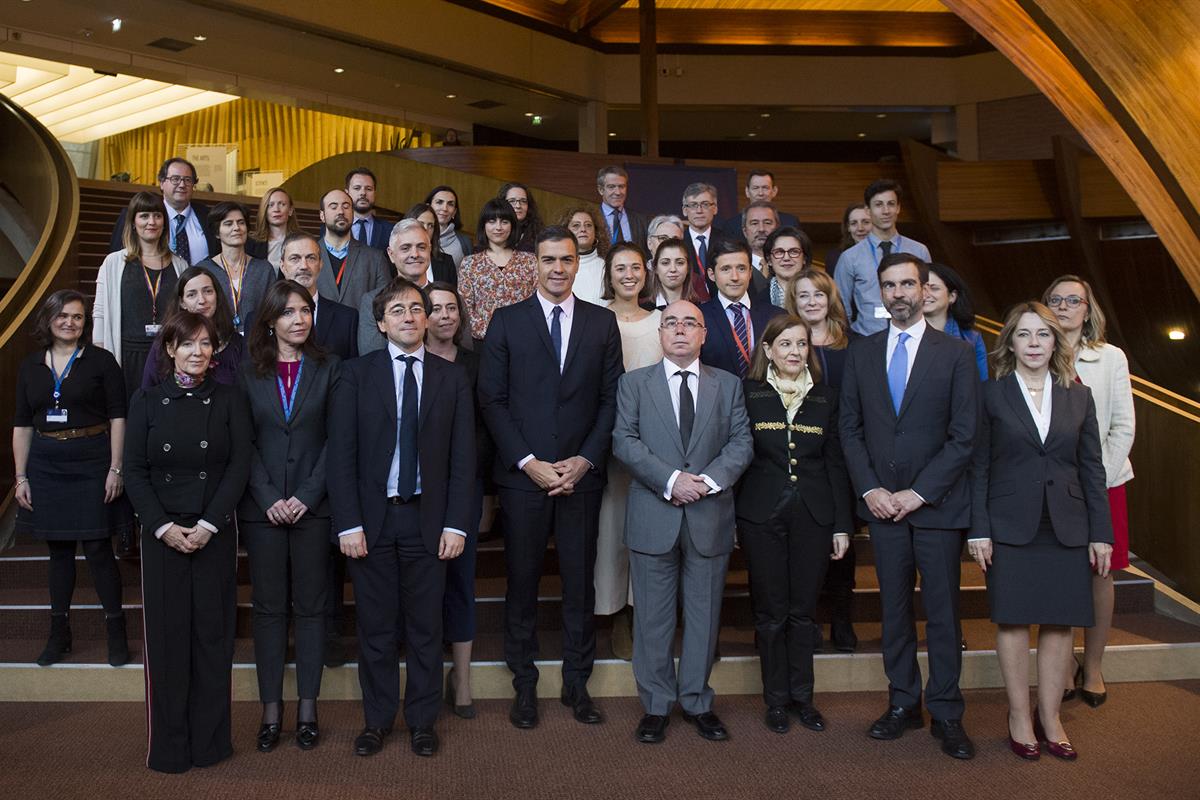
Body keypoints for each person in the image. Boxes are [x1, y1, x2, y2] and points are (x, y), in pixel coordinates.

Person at [478, 226, 624, 730]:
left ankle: (576, 685)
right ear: (533, 265)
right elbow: (491, 401)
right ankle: (524, 685)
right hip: (524, 479)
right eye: (548, 260)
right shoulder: (506, 321)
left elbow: (611, 401)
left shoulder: (601, 324)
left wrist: (584, 459)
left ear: (577, 264)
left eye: (566, 259)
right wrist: (528, 462)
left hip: (581, 477)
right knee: (522, 584)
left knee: (579, 585)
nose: (557, 268)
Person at [839, 252, 979, 760]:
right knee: (894, 612)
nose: (898, 293)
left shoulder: (957, 354)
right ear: (880, 291)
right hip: (882, 507)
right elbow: (849, 429)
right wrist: (871, 489)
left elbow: (965, 437)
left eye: (906, 284)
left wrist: (918, 493)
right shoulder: (862, 351)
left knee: (942, 614)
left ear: (925, 289)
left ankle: (946, 711)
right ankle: (903, 702)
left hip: (936, 506)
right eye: (888, 285)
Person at [327, 277, 475, 758]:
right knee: (375, 628)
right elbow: (342, 456)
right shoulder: (354, 374)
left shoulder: (451, 377)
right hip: (372, 523)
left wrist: (456, 525)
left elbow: (462, 459)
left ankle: (422, 721)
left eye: (416, 308)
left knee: (426, 629)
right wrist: (348, 523)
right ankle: (377, 720)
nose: (409, 317)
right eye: (398, 310)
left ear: (428, 317)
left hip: (428, 522)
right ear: (380, 322)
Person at [968, 301, 1113, 761]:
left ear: (1056, 342)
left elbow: (1092, 468)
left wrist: (1101, 532)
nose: (1034, 343)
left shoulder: (1078, 395)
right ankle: (1017, 716)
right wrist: (979, 529)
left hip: (1068, 525)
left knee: (1058, 622)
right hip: (1009, 524)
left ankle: (1050, 717)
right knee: (1012, 620)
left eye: (1043, 335)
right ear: (1009, 341)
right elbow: (979, 467)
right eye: (1025, 334)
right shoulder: (991, 394)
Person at [611, 300, 754, 744]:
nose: (679, 330)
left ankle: (696, 701)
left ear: (703, 334)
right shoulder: (634, 384)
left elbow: (741, 442)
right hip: (655, 513)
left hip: (709, 515)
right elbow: (624, 441)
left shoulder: (728, 385)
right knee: (652, 619)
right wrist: (672, 481)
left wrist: (706, 482)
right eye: (670, 322)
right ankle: (655, 705)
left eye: (689, 323)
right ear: (660, 333)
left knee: (703, 616)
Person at [123, 311, 252, 773]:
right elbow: (134, 471)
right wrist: (161, 526)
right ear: (170, 349)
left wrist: (210, 524)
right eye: (188, 344)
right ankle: (170, 748)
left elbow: (239, 466)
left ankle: (211, 744)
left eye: (206, 344)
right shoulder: (146, 401)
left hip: (212, 533)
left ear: (215, 351)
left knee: (213, 641)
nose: (198, 352)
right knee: (167, 644)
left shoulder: (230, 400)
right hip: (163, 536)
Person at [737, 314, 852, 734]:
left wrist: (842, 524)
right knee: (771, 613)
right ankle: (776, 701)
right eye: (784, 344)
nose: (793, 352)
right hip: (759, 514)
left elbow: (836, 463)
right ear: (767, 349)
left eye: (801, 344)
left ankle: (803, 697)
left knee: (804, 612)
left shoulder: (826, 398)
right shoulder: (746, 393)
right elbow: (738, 454)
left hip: (815, 515)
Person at [238, 281, 340, 753]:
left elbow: (337, 441)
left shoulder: (329, 367)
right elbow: (244, 444)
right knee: (269, 610)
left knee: (314, 609)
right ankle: (271, 710)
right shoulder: (248, 372)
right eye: (289, 312)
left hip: (313, 508)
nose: (299, 319)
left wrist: (305, 494)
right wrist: (266, 496)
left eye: (306, 311)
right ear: (270, 320)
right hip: (263, 511)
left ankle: (307, 709)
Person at [13, 290, 133, 668]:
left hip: (92, 460)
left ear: (86, 323)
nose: (70, 322)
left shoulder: (101, 362)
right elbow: (21, 425)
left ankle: (117, 631)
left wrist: (116, 468)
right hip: (47, 464)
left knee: (98, 549)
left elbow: (118, 417)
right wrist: (20, 477)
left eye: (78, 317)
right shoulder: (30, 366)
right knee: (59, 552)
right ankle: (58, 633)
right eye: (63, 315)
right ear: (49, 319)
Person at [1043, 275, 1135, 708]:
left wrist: (1097, 479)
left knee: (1101, 573)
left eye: (1072, 300)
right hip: (1051, 482)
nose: (1064, 307)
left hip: (1103, 483)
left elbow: (1123, 426)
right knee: (1058, 571)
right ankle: (1061, 666)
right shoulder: (1035, 350)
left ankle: (1093, 665)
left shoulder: (1110, 357)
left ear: (1087, 308)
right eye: (1055, 300)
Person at [423, 280, 487, 719]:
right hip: (416, 494)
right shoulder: (407, 362)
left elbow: (485, 430)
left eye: (452, 308)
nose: (446, 315)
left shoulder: (476, 364)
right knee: (423, 588)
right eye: (436, 308)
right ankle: (425, 678)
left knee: (462, 584)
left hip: (465, 488)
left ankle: (461, 679)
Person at [788, 268, 860, 652]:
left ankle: (843, 618)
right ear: (793, 302)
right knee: (810, 539)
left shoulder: (855, 344)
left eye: (818, 294)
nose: (812, 302)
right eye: (803, 296)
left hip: (846, 454)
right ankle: (810, 618)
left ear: (829, 298)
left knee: (843, 536)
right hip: (805, 452)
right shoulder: (790, 343)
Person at [596, 242, 662, 661]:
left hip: (657, 443)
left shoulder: (662, 320)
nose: (628, 275)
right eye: (620, 268)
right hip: (609, 437)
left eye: (635, 267)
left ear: (645, 273)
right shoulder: (594, 319)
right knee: (610, 531)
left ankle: (644, 613)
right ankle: (613, 614)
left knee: (650, 532)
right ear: (609, 274)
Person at [93, 190, 189, 398]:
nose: (151, 222)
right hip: (127, 355)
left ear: (164, 221)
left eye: (157, 215)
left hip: (168, 355)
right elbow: (100, 313)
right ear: (133, 222)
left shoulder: (180, 264)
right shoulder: (113, 262)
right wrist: (102, 358)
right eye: (144, 216)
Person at [835, 180, 932, 335]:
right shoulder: (850, 257)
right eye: (879, 205)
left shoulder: (919, 251)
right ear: (868, 210)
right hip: (866, 337)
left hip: (911, 335)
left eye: (891, 204)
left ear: (898, 208)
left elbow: (928, 297)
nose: (886, 211)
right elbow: (840, 305)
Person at [141, 266, 245, 389]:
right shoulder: (165, 341)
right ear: (182, 302)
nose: (201, 300)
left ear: (217, 296)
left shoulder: (237, 343)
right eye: (191, 294)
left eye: (208, 291)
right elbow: (148, 391)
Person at [698, 238, 783, 378]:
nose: (735, 277)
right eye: (726, 269)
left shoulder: (775, 316)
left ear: (750, 273)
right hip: (720, 397)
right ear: (712, 274)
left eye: (741, 268)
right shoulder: (699, 317)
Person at [458, 197, 538, 345]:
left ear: (513, 226)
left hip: (524, 339)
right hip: (483, 342)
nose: (498, 227)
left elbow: (537, 302)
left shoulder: (530, 261)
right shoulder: (470, 263)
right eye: (492, 221)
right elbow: (466, 308)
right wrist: (492, 333)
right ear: (483, 225)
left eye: (504, 222)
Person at [108, 157, 216, 264]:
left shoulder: (208, 216)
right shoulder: (134, 214)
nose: (182, 185)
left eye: (188, 180)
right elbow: (117, 259)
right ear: (162, 183)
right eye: (175, 179)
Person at [358, 220, 437, 355]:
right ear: (391, 254)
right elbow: (371, 357)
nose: (415, 254)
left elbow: (464, 355)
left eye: (421, 247)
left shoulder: (450, 298)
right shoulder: (372, 300)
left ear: (430, 250)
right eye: (405, 248)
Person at [277, 232, 358, 361]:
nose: (304, 266)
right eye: (295, 258)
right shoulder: (259, 318)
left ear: (320, 265)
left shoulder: (347, 319)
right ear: (282, 266)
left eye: (311, 258)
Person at [197, 201, 274, 335]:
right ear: (217, 233)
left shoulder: (264, 269)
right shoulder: (204, 270)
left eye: (241, 222)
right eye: (228, 224)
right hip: (216, 344)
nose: (236, 228)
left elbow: (273, 310)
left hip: (256, 345)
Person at [314, 188, 392, 307]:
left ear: (352, 213)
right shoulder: (308, 255)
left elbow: (385, 305)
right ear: (322, 215)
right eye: (333, 207)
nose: (341, 211)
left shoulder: (375, 258)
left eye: (346, 206)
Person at [924, 262, 988, 381]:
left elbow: (981, 385)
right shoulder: (904, 336)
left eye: (934, 288)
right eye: (922, 288)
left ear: (952, 296)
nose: (926, 295)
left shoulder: (972, 338)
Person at [720, 170, 802, 241]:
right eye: (755, 188)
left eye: (765, 188)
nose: (760, 193)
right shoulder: (731, 225)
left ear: (774, 191)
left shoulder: (791, 223)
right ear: (747, 192)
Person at [681, 182, 724, 302]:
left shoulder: (727, 240)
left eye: (705, 204)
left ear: (715, 208)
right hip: (687, 304)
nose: (699, 210)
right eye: (693, 205)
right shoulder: (678, 242)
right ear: (685, 210)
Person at [560, 205, 610, 305]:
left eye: (588, 225)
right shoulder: (558, 267)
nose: (583, 229)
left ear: (596, 232)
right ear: (565, 231)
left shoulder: (609, 267)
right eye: (576, 225)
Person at [405, 202, 459, 286]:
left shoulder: (446, 262)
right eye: (421, 224)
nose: (426, 229)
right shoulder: (396, 259)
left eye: (430, 225)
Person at [247, 187, 301, 269]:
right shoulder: (250, 243)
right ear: (264, 210)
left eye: (282, 204)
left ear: (290, 210)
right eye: (270, 205)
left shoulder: (301, 242)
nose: (276, 209)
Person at [761, 226, 812, 309]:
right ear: (769, 260)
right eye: (779, 252)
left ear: (804, 258)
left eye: (794, 252)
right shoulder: (758, 301)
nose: (786, 258)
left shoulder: (821, 295)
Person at [596, 166, 648, 246]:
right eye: (611, 187)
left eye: (621, 186)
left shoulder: (640, 220)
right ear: (601, 190)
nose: (618, 192)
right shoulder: (591, 218)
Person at [424, 185, 473, 269]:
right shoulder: (415, 235)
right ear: (428, 207)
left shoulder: (465, 242)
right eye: (439, 202)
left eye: (450, 204)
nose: (444, 208)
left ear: (454, 212)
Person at [346, 167, 390, 251]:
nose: (363, 193)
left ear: (375, 193)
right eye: (357, 188)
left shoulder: (389, 230)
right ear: (347, 193)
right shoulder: (333, 228)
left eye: (368, 189)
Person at [651, 237, 699, 310]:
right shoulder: (644, 309)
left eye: (680, 263)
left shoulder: (700, 308)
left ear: (688, 268)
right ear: (655, 268)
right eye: (665, 263)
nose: (673, 269)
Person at [824, 203, 871, 275]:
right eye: (854, 223)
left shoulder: (887, 252)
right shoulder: (835, 258)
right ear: (848, 227)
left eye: (866, 222)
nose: (860, 228)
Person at [500, 181, 543, 253]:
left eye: (523, 201)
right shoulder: (493, 231)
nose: (518, 206)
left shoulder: (539, 234)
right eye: (512, 201)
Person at [741, 200, 779, 281]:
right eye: (754, 223)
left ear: (777, 228)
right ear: (745, 231)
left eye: (767, 223)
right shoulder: (735, 265)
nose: (761, 229)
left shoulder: (788, 264)